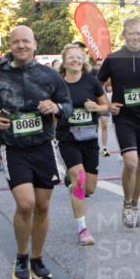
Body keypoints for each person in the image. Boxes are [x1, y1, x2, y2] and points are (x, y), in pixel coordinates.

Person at [0, 25, 72, 279]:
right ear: (10, 45)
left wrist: (56, 106)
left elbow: (67, 105)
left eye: (26, 41)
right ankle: (21, 256)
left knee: (42, 206)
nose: (21, 46)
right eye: (16, 42)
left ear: (34, 44)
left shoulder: (49, 75)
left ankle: (37, 258)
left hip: (43, 146)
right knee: (25, 204)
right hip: (15, 148)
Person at [96, 18, 140, 228]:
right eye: (131, 33)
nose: (135, 37)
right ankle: (126, 204)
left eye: (139, 34)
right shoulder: (113, 59)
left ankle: (134, 205)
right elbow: (96, 83)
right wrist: (107, 105)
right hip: (124, 117)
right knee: (131, 161)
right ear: (123, 35)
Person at [56, 43, 109, 245]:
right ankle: (82, 229)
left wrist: (96, 107)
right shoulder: (58, 84)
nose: (76, 60)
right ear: (64, 61)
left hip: (89, 138)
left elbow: (107, 107)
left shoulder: (91, 81)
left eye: (79, 57)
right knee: (79, 180)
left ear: (84, 61)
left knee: (90, 188)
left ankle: (72, 183)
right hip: (67, 138)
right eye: (71, 57)